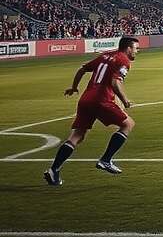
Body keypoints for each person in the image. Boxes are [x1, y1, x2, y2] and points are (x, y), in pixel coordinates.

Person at [44, 36, 140, 186]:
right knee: (128, 124)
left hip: (86, 100)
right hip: (101, 101)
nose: (137, 51)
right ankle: (106, 160)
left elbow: (82, 69)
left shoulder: (105, 56)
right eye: (136, 48)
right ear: (128, 48)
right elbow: (115, 82)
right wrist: (125, 100)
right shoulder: (124, 61)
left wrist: (74, 87)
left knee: (77, 136)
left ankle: (54, 170)